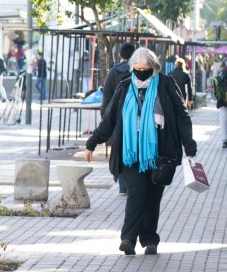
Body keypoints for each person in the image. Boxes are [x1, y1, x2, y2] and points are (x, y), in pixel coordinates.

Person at [84, 48, 197, 255]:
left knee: (153, 197)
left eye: (145, 69)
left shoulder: (165, 84)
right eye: (137, 69)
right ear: (132, 68)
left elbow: (182, 116)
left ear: (154, 68)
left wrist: (189, 147)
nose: (141, 73)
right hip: (131, 152)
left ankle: (150, 240)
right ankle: (128, 239)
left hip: (160, 153)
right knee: (136, 193)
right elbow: (109, 119)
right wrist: (92, 142)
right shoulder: (125, 87)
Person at [102, 42, 136, 194]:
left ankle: (123, 185)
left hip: (117, 118)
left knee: (119, 149)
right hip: (136, 119)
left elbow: (107, 98)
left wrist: (105, 120)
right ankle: (133, 183)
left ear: (120, 55)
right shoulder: (139, 70)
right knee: (134, 148)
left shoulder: (113, 72)